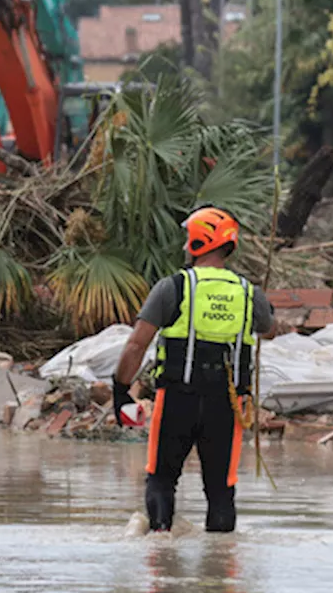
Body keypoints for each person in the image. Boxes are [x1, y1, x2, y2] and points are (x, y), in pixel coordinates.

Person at [111, 206, 273, 534]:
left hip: (177, 400)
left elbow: (136, 345)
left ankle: (159, 550)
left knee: (161, 478)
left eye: (189, 239)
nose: (185, 246)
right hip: (227, 406)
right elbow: (269, 329)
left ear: (200, 242)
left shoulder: (174, 287)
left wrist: (119, 388)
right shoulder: (248, 293)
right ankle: (221, 570)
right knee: (220, 491)